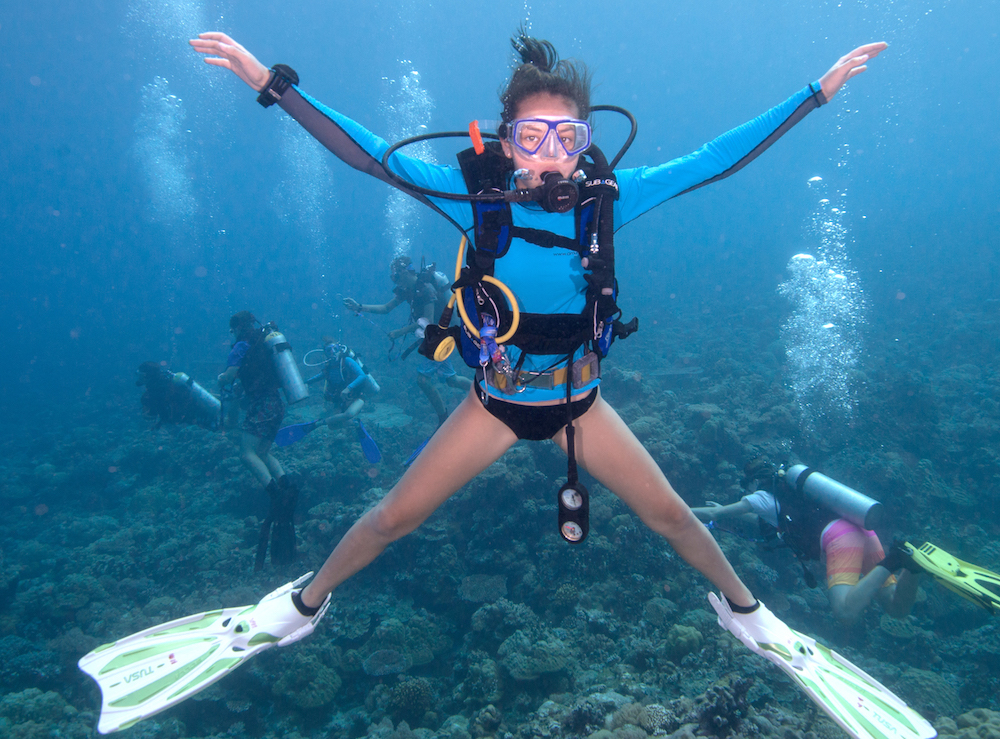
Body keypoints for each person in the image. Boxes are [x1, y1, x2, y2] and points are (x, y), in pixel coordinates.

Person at [189, 29, 886, 655]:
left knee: (671, 515)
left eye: (567, 140)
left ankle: (749, 612)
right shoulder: (473, 199)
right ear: (504, 142)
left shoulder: (609, 198)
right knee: (391, 519)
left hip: (579, 405)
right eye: (531, 139)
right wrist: (273, 85)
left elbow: (712, 161)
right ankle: (302, 605)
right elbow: (370, 156)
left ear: (585, 143)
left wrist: (813, 95)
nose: (550, 159)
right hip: (494, 403)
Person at [690, 465, 920, 625]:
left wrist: (680, 510)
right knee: (895, 608)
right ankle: (911, 565)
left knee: (844, 611)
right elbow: (765, 519)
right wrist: (725, 510)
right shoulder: (791, 494)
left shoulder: (758, 496)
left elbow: (714, 514)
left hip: (841, 539)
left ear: (752, 482)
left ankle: (894, 560)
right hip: (861, 529)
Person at [344, 256, 471, 425]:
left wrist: (400, 332)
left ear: (404, 272)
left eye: (395, 276)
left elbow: (429, 321)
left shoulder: (426, 289)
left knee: (422, 379)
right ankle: (483, 394)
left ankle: (443, 419)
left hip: (443, 336)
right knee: (451, 380)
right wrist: (359, 307)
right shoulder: (408, 290)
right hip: (438, 337)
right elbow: (386, 308)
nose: (395, 281)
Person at [218, 310, 298, 568]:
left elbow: (229, 377)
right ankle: (286, 486)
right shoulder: (263, 343)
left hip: (262, 404)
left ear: (236, 329)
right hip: (276, 403)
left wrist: (221, 378)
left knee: (246, 453)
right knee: (263, 451)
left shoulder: (242, 347)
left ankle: (275, 494)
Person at [305, 336, 381, 427]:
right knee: (333, 426)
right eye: (329, 350)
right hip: (340, 399)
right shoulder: (328, 366)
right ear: (325, 354)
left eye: (335, 348)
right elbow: (321, 376)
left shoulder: (347, 361)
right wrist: (307, 382)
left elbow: (362, 375)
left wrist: (348, 388)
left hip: (356, 396)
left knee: (349, 414)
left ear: (339, 349)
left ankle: (319, 423)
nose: (332, 352)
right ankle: (355, 424)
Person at [136, 361, 221, 431]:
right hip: (200, 412)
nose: (139, 379)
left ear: (146, 376)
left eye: (140, 375)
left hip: (192, 419)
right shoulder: (169, 379)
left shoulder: (151, 395)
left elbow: (151, 416)